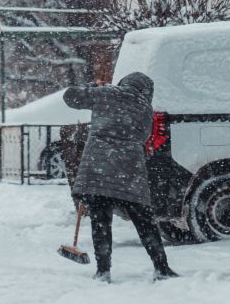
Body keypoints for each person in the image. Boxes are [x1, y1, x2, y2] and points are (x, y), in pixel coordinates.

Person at [63, 72, 178, 283]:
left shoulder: (106, 93)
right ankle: (161, 267)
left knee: (101, 222)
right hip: (130, 170)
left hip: (98, 169)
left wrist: (92, 86)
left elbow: (70, 97)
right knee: (145, 222)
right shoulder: (145, 108)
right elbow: (143, 137)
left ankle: (103, 271)